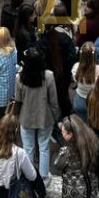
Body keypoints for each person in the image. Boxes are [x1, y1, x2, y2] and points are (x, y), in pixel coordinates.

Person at [16, 47, 60, 188]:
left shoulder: (19, 77)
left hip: (26, 117)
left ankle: (30, 177)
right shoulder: (48, 76)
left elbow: (18, 99)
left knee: (28, 148)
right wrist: (55, 116)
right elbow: (53, 100)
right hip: (45, 116)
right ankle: (44, 176)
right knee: (44, 147)